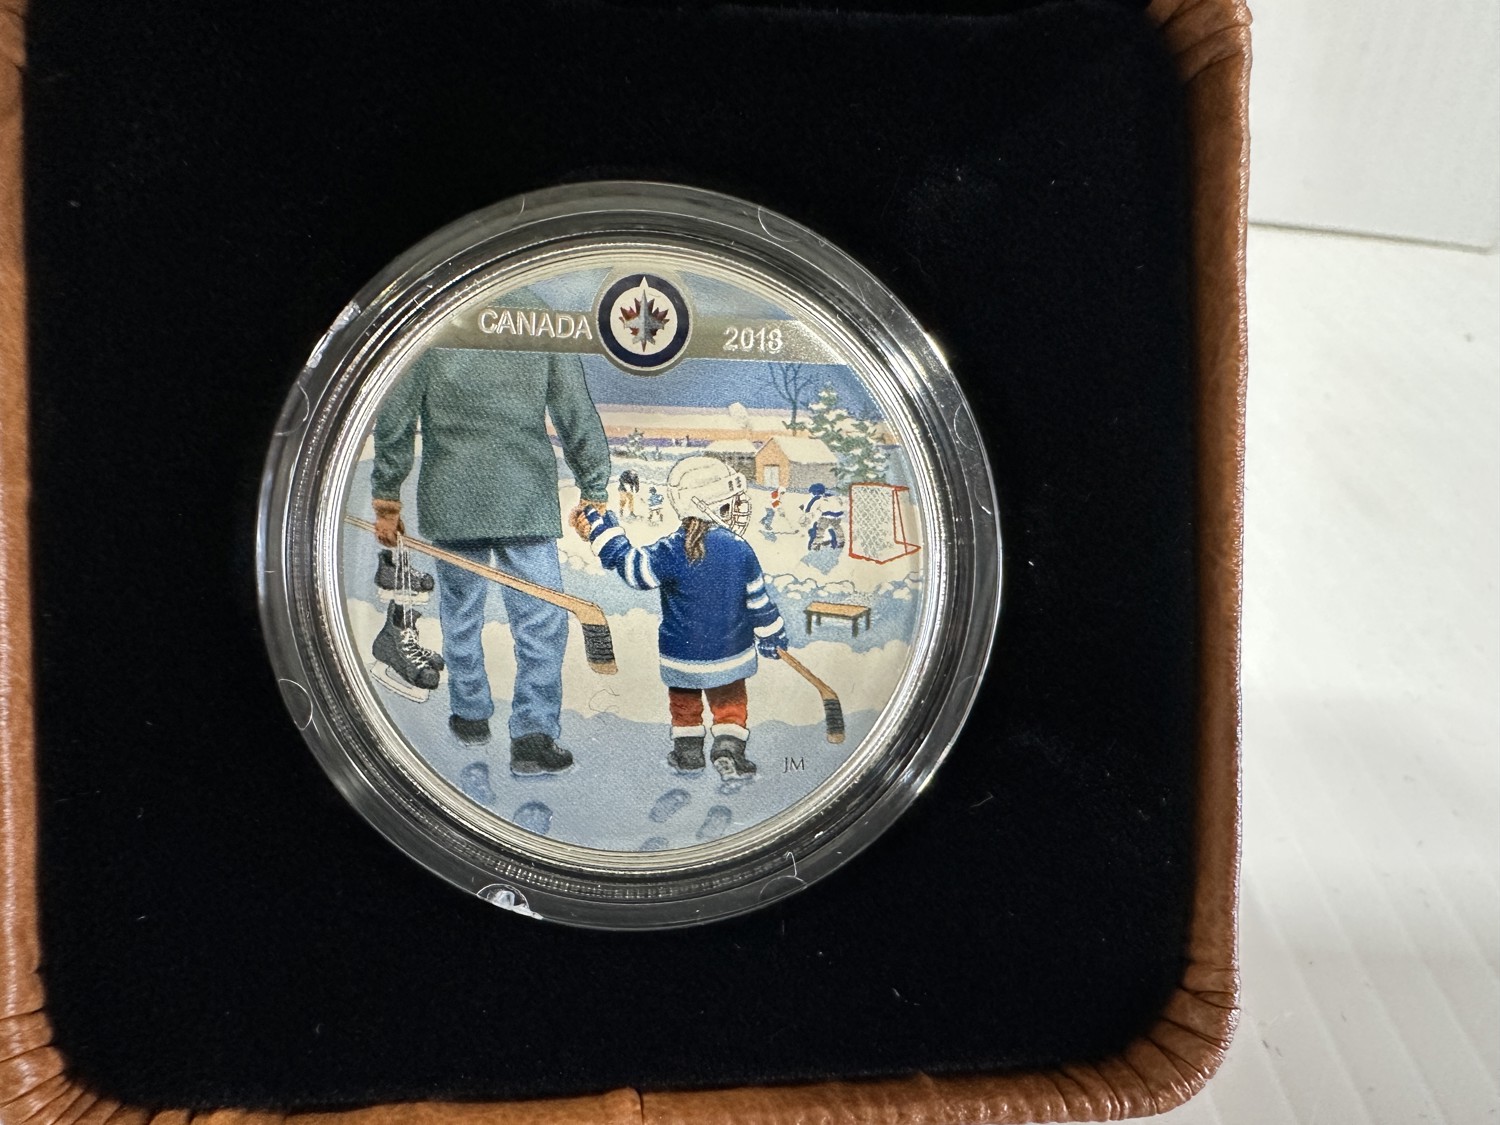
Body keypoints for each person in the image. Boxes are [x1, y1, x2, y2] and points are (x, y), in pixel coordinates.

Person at [371, 295, 611, 775]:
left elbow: (395, 414)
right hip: (524, 498)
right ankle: (533, 736)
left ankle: (469, 716)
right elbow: (574, 410)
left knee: (461, 615)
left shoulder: (433, 317)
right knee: (540, 621)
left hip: (452, 497)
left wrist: (387, 496)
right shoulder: (545, 317)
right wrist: (594, 485)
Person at [570, 456, 789, 779]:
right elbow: (759, 603)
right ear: (706, 504)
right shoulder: (740, 549)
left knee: (685, 706)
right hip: (730, 653)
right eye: (730, 504)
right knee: (730, 703)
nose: (739, 510)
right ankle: (728, 748)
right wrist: (772, 635)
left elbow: (634, 570)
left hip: (681, 656)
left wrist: (605, 534)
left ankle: (687, 754)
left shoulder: (672, 549)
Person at [802, 482, 846, 552]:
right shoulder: (832, 496)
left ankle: (816, 544)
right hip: (838, 515)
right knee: (837, 527)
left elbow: (810, 508)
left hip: (826, 516)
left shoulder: (817, 498)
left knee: (821, 529)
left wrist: (807, 512)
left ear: (815, 492)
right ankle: (841, 540)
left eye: (811, 493)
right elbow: (840, 503)